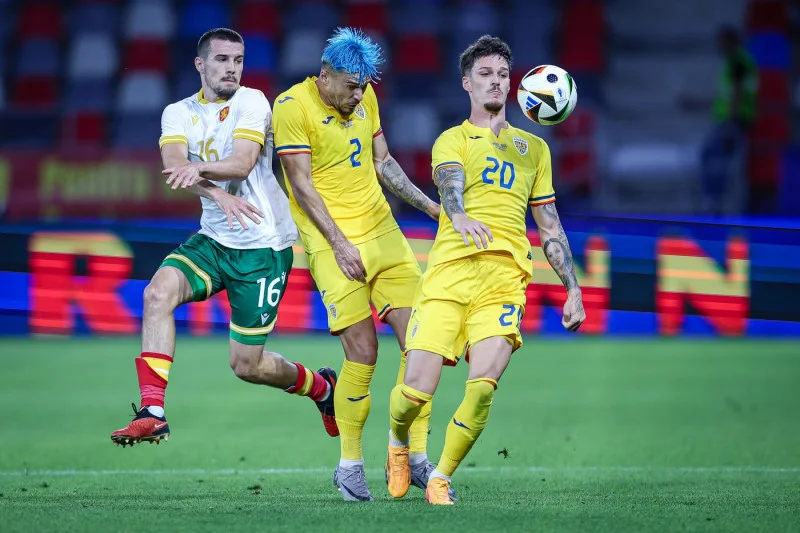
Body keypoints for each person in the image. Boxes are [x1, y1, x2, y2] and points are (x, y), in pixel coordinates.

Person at [110, 28, 338, 447]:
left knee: (247, 366)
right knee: (156, 294)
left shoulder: (253, 101)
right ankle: (152, 412)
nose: (232, 68)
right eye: (222, 59)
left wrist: (199, 171)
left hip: (262, 246)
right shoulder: (177, 112)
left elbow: (242, 162)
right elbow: (174, 164)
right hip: (215, 239)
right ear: (200, 64)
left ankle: (322, 388)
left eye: (238, 60)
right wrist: (215, 193)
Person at [384, 35, 586, 505]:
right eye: (485, 74)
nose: (495, 81)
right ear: (467, 83)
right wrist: (457, 216)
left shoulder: (534, 149)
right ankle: (397, 442)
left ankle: (440, 478)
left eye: (502, 74)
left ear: (512, 84)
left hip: (504, 281)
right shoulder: (451, 140)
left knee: (481, 390)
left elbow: (550, 225)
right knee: (415, 392)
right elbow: (450, 186)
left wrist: (572, 288)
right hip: (448, 275)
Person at [272, 27, 446, 502]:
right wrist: (339, 243)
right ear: (324, 76)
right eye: (351, 86)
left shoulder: (364, 97)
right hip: (331, 242)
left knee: (423, 342)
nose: (358, 94)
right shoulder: (292, 107)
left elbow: (383, 162)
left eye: (364, 86)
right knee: (364, 353)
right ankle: (350, 465)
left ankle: (412, 455)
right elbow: (301, 184)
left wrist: (432, 208)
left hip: (382, 232)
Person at [699, 25, 758, 214]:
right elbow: (724, 96)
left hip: (732, 122)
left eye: (722, 42)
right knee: (717, 159)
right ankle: (715, 200)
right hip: (731, 121)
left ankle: (713, 200)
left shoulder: (738, 61)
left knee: (713, 158)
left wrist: (731, 123)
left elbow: (737, 94)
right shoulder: (736, 62)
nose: (719, 46)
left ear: (731, 41)